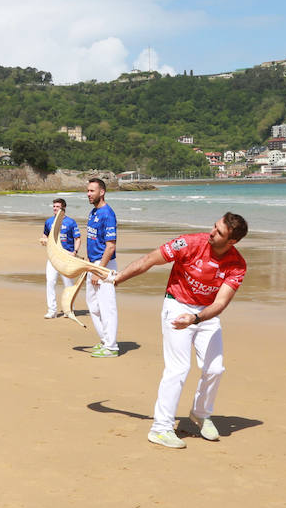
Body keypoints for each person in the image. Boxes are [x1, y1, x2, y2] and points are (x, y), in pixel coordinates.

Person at [109, 213, 248, 448]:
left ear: (231, 241)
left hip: (204, 312)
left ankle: (200, 414)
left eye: (219, 232)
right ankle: (161, 428)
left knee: (215, 368)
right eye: (214, 227)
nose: (212, 233)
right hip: (177, 303)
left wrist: (195, 318)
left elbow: (220, 304)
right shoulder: (190, 242)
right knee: (179, 367)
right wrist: (118, 278)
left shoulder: (237, 265)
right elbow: (150, 259)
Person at [84, 178, 119, 357]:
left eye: (92, 191)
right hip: (93, 264)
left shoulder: (107, 214)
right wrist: (89, 267)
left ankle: (111, 347)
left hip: (104, 265)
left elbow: (110, 246)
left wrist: (99, 270)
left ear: (102, 192)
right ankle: (105, 340)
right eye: (88, 191)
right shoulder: (93, 212)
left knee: (107, 306)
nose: (88, 194)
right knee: (93, 305)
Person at [39, 197, 81, 319]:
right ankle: (52, 310)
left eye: (57, 207)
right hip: (53, 257)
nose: (55, 209)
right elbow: (44, 236)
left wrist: (75, 252)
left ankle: (68, 310)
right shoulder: (49, 222)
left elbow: (77, 238)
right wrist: (43, 240)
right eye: (54, 207)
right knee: (50, 282)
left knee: (68, 285)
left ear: (63, 208)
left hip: (66, 258)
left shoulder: (71, 222)